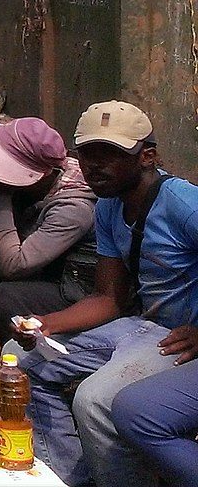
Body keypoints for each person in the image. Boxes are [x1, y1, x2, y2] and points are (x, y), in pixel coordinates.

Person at [19, 102, 198, 487]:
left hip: (178, 338)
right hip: (141, 326)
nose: (94, 166)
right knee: (22, 357)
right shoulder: (108, 207)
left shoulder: (183, 204)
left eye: (110, 155)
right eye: (86, 154)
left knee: (94, 400)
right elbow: (109, 299)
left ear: (146, 157)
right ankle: (72, 475)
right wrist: (43, 325)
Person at [0, 115, 97, 340]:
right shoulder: (33, 187)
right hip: (46, 269)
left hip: (76, 291)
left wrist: (1, 202)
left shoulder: (73, 207)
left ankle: (14, 358)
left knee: (7, 296)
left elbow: (13, 267)